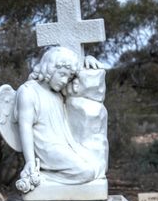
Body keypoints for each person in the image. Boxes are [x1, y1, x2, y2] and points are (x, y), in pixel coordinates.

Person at [14, 46, 106, 192]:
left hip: (67, 145)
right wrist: (30, 161)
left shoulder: (57, 93)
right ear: (50, 69)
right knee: (87, 172)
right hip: (48, 149)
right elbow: (25, 128)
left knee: (98, 167)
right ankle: (41, 178)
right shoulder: (28, 92)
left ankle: (43, 178)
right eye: (62, 74)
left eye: (69, 77)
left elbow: (83, 85)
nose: (65, 81)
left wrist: (86, 62)